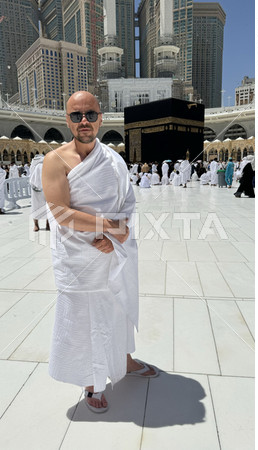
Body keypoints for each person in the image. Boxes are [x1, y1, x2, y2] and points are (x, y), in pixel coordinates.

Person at [42, 91, 158, 414]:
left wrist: (116, 237)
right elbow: (61, 213)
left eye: (90, 115)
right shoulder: (55, 161)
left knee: (116, 308)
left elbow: (127, 202)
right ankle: (91, 381)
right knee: (83, 320)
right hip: (77, 259)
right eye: (77, 115)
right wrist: (108, 226)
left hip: (109, 254)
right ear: (67, 120)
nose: (84, 121)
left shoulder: (113, 160)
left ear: (100, 118)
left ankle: (124, 360)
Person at [29, 154, 50, 231]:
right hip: (36, 190)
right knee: (36, 207)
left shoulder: (46, 165)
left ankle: (47, 224)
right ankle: (36, 225)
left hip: (46, 188)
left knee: (48, 207)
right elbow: (32, 177)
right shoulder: (36, 166)